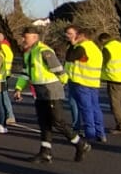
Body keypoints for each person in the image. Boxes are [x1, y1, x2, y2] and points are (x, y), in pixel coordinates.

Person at [14, 28, 88, 164]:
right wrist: (18, 88)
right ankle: (45, 153)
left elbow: (59, 70)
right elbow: (25, 73)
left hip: (51, 90)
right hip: (39, 91)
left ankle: (80, 144)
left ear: (35, 37)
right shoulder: (28, 53)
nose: (23, 40)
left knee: (57, 121)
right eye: (23, 37)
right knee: (44, 122)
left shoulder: (44, 51)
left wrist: (62, 84)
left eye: (26, 37)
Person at [63, 25, 105, 143]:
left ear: (82, 36)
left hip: (82, 81)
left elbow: (69, 57)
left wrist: (72, 44)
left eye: (78, 36)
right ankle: (100, 133)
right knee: (95, 108)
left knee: (86, 109)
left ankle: (90, 134)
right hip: (94, 81)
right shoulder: (96, 48)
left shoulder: (82, 47)